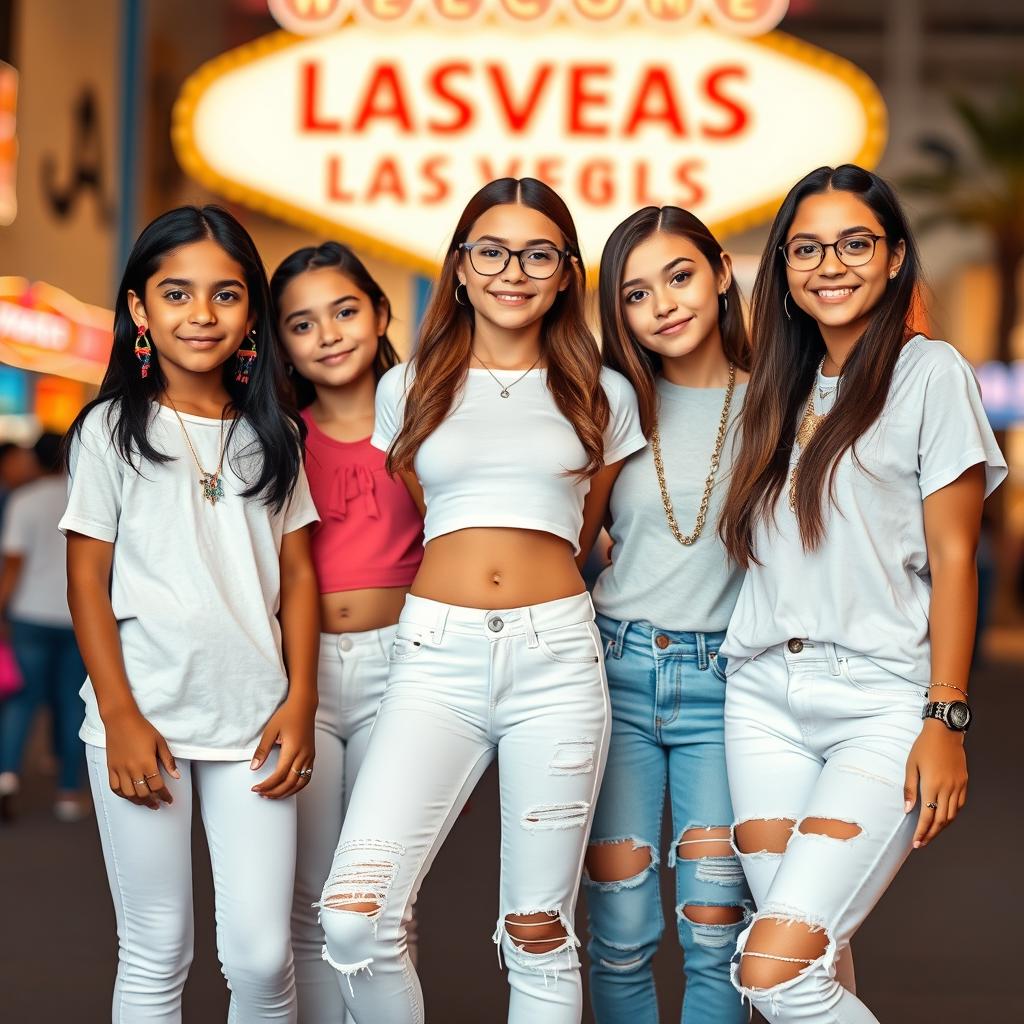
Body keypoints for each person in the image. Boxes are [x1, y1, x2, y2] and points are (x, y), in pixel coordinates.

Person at [318, 177, 646, 1024]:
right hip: (434, 658)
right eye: (491, 250)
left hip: (558, 662)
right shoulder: (412, 387)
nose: (514, 270)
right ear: (460, 267)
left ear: (567, 272)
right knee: (353, 920)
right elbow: (432, 517)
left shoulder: (602, 392)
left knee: (538, 931)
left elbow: (584, 530)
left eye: (539, 253)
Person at [717, 165, 1006, 1023]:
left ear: (893, 259)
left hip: (878, 700)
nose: (829, 264)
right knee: (817, 963)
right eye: (806, 247)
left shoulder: (931, 374)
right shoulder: (773, 385)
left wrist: (945, 719)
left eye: (854, 243)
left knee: (772, 969)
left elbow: (957, 559)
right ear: (783, 269)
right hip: (761, 701)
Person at [61, 205, 320, 1023]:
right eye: (176, 294)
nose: (201, 315)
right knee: (155, 949)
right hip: (147, 722)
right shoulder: (110, 431)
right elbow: (85, 581)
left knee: (261, 953)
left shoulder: (271, 435)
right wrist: (120, 713)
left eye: (225, 295)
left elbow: (299, 573)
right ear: (139, 309)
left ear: (252, 316)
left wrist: (302, 700)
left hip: (256, 723)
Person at [580, 206, 753, 1023]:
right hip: (615, 674)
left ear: (721, 271)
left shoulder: (782, 408)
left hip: (729, 686)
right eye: (635, 294)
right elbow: (568, 535)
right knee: (618, 927)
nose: (663, 305)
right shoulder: (613, 404)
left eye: (678, 276)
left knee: (718, 927)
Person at [271, 242, 424, 1024]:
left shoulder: (428, 428)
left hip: (406, 672)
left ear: (380, 313)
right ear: (281, 342)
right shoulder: (274, 439)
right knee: (310, 900)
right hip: (300, 675)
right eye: (302, 323)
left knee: (377, 897)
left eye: (344, 310)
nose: (327, 333)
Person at [0, 432, 87, 822]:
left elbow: (12, 568)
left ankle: (6, 779)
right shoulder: (87, 496)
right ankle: (68, 793)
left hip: (29, 617)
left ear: (36, 460)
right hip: (77, 618)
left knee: (22, 702)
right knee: (72, 703)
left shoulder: (25, 501)